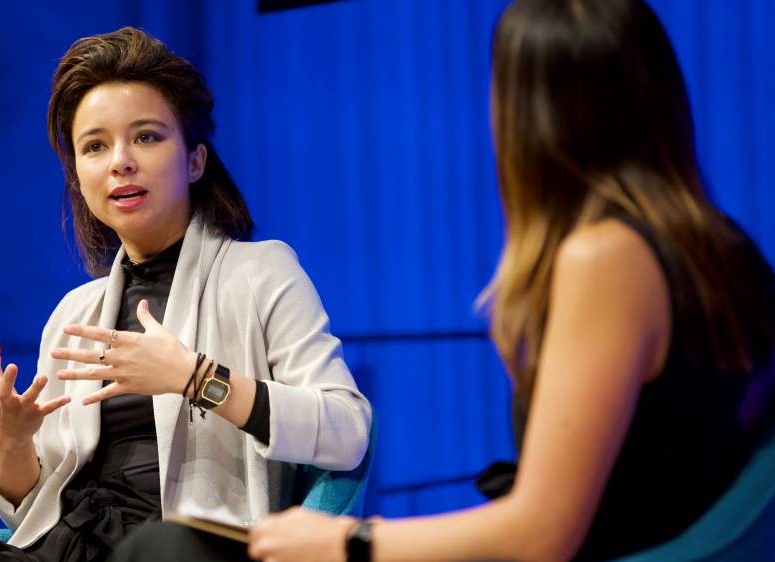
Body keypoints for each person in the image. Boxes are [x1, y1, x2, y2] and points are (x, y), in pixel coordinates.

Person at [248, 1, 775, 561]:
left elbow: (540, 534)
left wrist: (347, 541)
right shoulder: (725, 246)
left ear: (528, 116)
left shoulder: (606, 261)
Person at [0, 26, 371, 562]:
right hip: (66, 549)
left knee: (160, 546)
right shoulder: (76, 312)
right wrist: (12, 441)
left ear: (195, 159)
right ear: (77, 174)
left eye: (146, 136)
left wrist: (196, 379)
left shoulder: (262, 273)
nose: (120, 160)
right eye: (95, 146)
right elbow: (31, 510)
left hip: (179, 548)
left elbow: (347, 432)